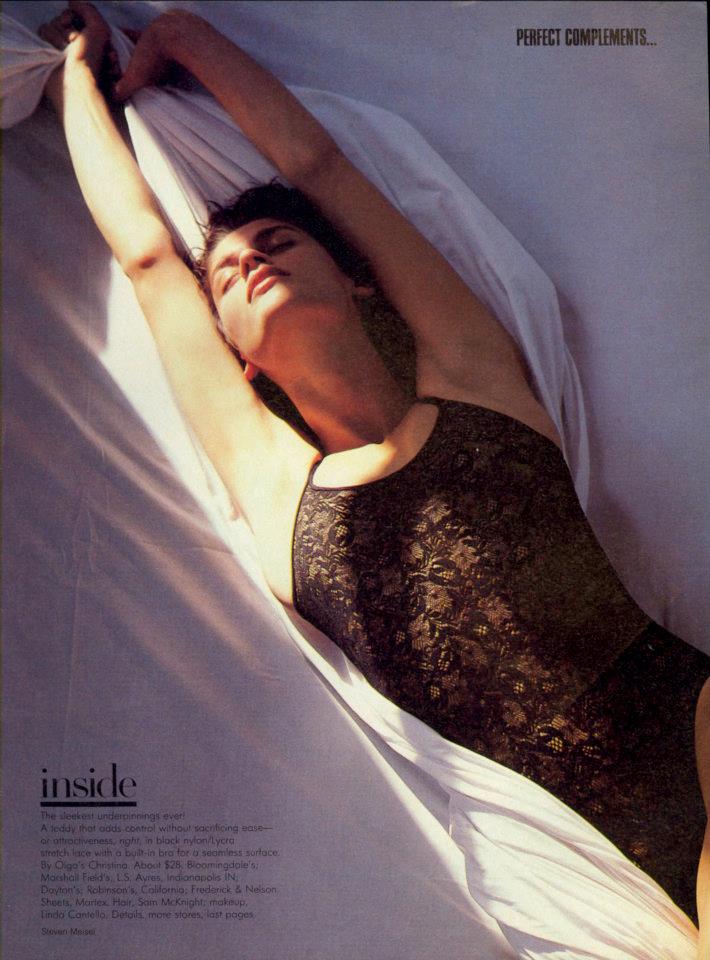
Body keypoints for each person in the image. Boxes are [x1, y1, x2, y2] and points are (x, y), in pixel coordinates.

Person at [40, 1, 709, 935]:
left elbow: (321, 167)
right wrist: (74, 76)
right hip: (556, 852)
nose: (251, 262)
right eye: (226, 274)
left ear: (355, 279)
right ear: (236, 355)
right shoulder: (280, 491)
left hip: (687, 721)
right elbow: (149, 260)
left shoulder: (474, 378)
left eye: (278, 242)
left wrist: (182, 36)